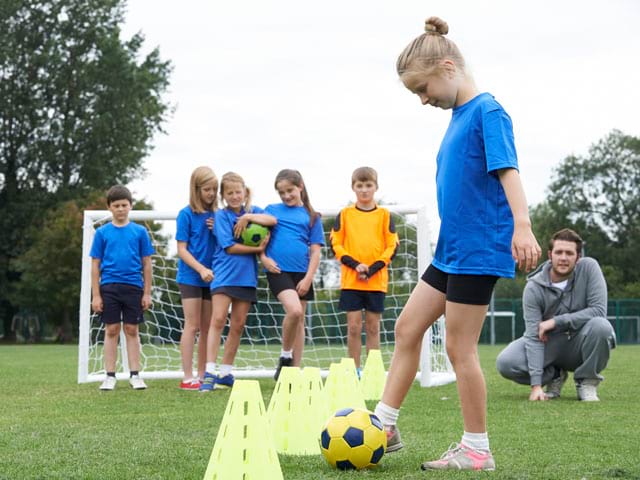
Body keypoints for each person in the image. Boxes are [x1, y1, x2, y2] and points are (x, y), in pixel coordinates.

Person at [372, 16, 541, 471]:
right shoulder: (458, 117)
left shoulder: (488, 111)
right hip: (451, 251)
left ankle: (476, 449)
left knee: (458, 349)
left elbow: (509, 171)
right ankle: (383, 425)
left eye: (423, 89)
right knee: (407, 329)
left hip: (478, 249)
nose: (423, 99)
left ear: (448, 67)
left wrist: (522, 227)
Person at [496, 228, 615, 402]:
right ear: (550, 255)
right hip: (549, 344)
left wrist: (555, 322)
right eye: (559, 252)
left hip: (579, 342)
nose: (564, 258)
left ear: (578, 257)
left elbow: (598, 311)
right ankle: (554, 375)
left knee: (602, 327)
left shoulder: (589, 268)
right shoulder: (533, 287)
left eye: (569, 253)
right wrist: (536, 386)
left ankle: (587, 382)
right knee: (505, 362)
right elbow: (533, 336)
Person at [199, 172, 276, 392]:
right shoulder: (221, 216)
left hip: (246, 277)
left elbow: (273, 220)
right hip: (223, 274)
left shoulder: (254, 212)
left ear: (245, 192)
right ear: (223, 196)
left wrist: (247, 218)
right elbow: (230, 247)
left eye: (238, 192)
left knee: (238, 324)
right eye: (229, 193)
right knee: (218, 319)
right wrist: (258, 249)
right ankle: (209, 372)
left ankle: (225, 372)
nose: (234, 196)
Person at [330, 166, 399, 376]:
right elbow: (336, 243)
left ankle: (373, 371)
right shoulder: (345, 214)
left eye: (368, 185)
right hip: (351, 280)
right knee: (353, 327)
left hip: (376, 280)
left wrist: (373, 268)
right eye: (359, 186)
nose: (364, 190)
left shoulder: (385, 215)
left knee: (372, 327)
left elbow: (392, 246)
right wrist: (355, 265)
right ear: (353, 188)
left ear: (376, 187)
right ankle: (354, 370)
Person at [260, 169, 325, 380]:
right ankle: (285, 356)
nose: (286, 196)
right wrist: (263, 258)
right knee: (295, 311)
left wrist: (308, 278)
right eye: (282, 192)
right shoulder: (271, 211)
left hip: (302, 274)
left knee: (299, 321)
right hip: (278, 270)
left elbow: (316, 251)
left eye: (290, 190)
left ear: (300, 187)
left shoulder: (312, 217)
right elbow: (259, 239)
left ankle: (293, 374)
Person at [90, 185, 155, 391]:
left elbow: (146, 264)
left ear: (130, 206)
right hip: (108, 287)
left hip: (134, 287)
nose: (120, 209)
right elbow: (95, 265)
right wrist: (96, 295)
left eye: (124, 205)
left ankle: (135, 375)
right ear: (109, 207)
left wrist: (147, 292)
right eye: (116, 205)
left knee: (131, 329)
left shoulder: (140, 232)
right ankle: (109, 376)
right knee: (111, 330)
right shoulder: (102, 233)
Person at [176, 166, 218, 390]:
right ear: (196, 189)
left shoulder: (218, 215)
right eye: (207, 189)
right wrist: (201, 269)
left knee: (207, 327)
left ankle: (203, 374)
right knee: (191, 326)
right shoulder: (185, 214)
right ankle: (187, 376)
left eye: (214, 189)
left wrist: (218, 230)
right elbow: (182, 249)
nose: (211, 193)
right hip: (191, 276)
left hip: (213, 278)